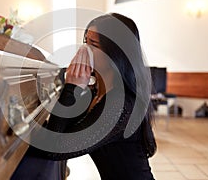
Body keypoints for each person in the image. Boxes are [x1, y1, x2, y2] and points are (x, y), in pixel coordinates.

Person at [11, 13, 157, 180]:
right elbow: (57, 133)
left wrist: (72, 88)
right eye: (85, 42)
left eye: (93, 44)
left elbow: (52, 149)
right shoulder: (95, 93)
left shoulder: (120, 105)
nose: (84, 50)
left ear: (115, 53)